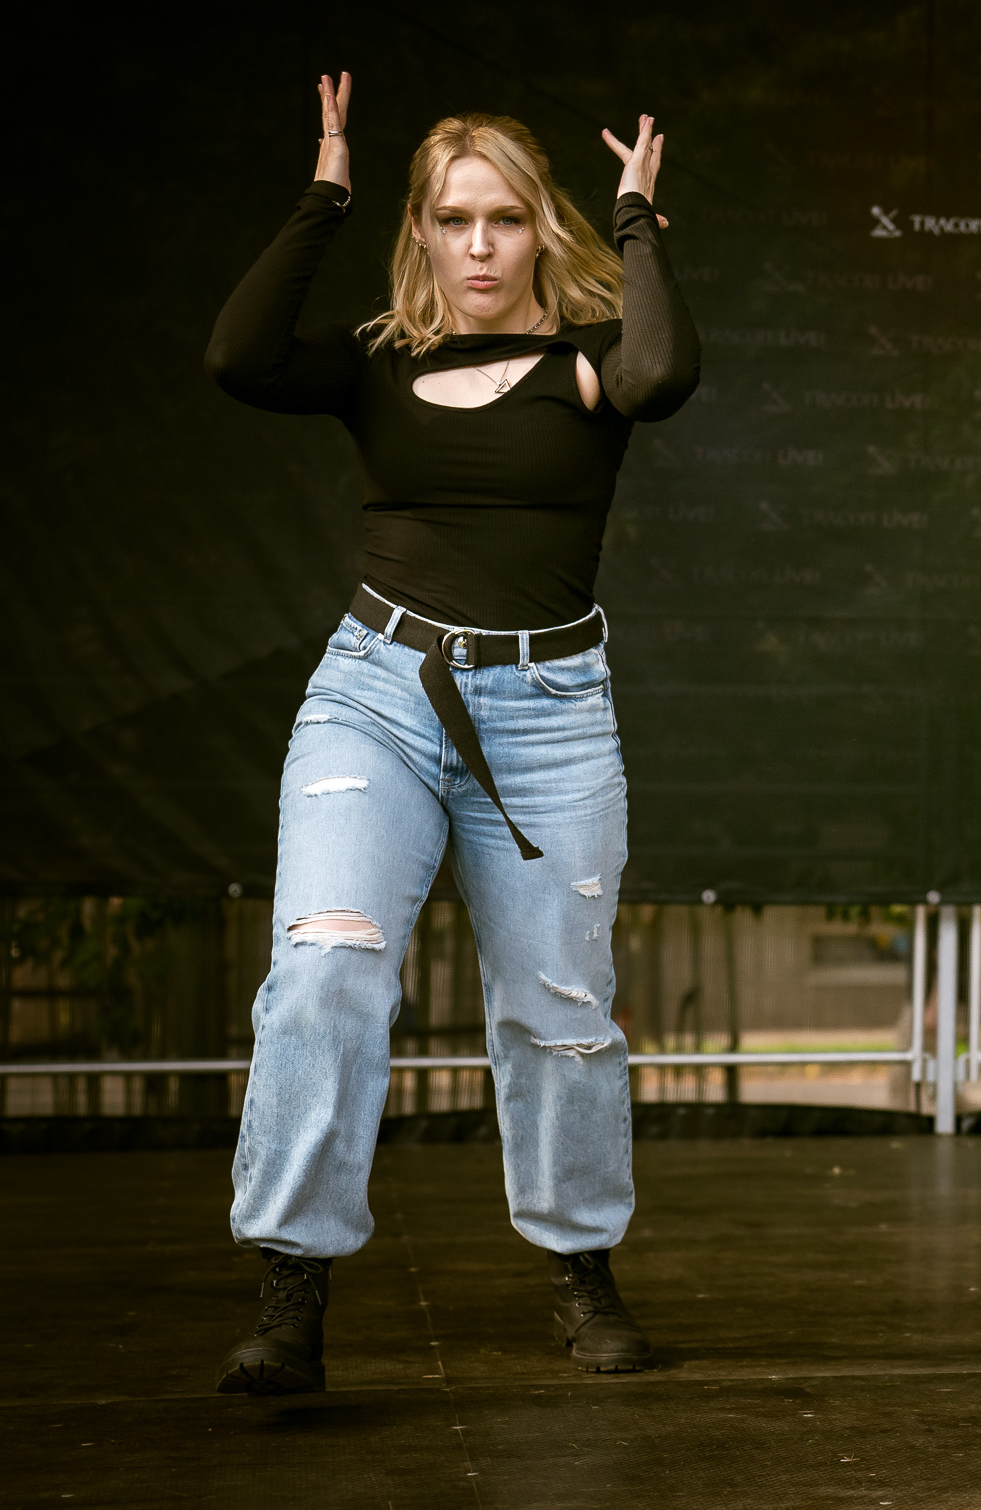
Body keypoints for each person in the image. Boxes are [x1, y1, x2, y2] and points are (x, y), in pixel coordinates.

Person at [203, 74, 700, 1395]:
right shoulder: (378, 359)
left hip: (550, 715)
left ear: (542, 229)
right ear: (419, 230)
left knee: (560, 1008)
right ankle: (293, 1285)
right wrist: (324, 196)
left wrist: (637, 219)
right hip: (376, 694)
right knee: (325, 971)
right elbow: (239, 357)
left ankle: (579, 1262)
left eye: (505, 219)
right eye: (452, 219)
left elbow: (664, 372)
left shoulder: (589, 362)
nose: (479, 245)